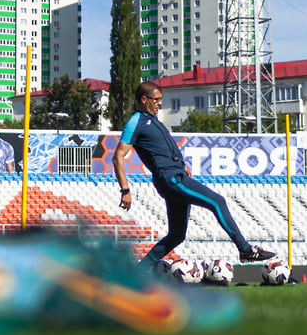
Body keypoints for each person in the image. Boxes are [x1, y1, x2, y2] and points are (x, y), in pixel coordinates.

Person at [112, 82, 276, 269]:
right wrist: (125, 189)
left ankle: (139, 270)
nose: (159, 104)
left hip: (176, 176)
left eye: (160, 100)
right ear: (144, 99)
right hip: (171, 179)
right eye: (156, 100)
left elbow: (160, 148)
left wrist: (181, 164)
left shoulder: (153, 119)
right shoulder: (136, 121)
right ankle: (245, 249)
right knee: (217, 202)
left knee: (177, 235)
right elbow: (118, 156)